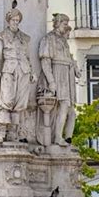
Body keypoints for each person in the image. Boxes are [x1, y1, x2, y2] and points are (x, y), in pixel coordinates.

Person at [0, 7, 35, 144]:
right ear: (8, 21)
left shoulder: (25, 38)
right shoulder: (1, 37)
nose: (16, 22)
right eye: (13, 20)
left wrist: (32, 72)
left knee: (19, 104)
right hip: (9, 70)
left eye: (18, 20)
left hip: (24, 71)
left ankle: (13, 134)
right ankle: (1, 133)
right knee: (6, 101)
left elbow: (28, 57)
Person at [36, 13, 81, 147]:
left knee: (70, 110)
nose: (66, 26)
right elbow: (45, 61)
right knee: (63, 106)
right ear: (57, 23)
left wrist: (75, 69)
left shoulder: (63, 40)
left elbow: (69, 58)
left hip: (67, 74)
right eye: (65, 24)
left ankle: (67, 138)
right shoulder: (48, 39)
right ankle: (57, 137)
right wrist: (51, 81)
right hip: (58, 73)